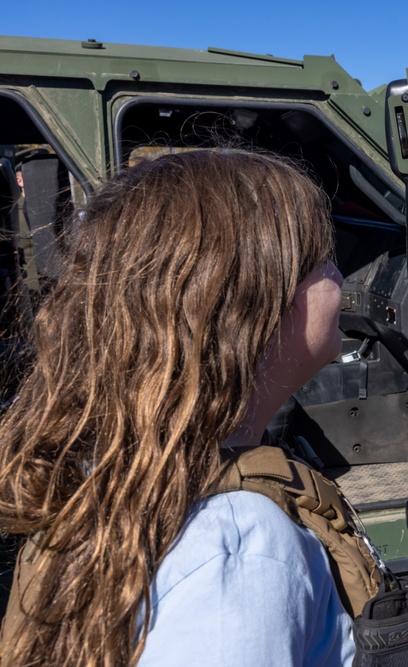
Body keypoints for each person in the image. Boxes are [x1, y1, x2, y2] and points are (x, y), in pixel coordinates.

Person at [0, 149, 354, 666]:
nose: (339, 279)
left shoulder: (121, 474)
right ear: (254, 300)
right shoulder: (239, 547)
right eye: (322, 260)